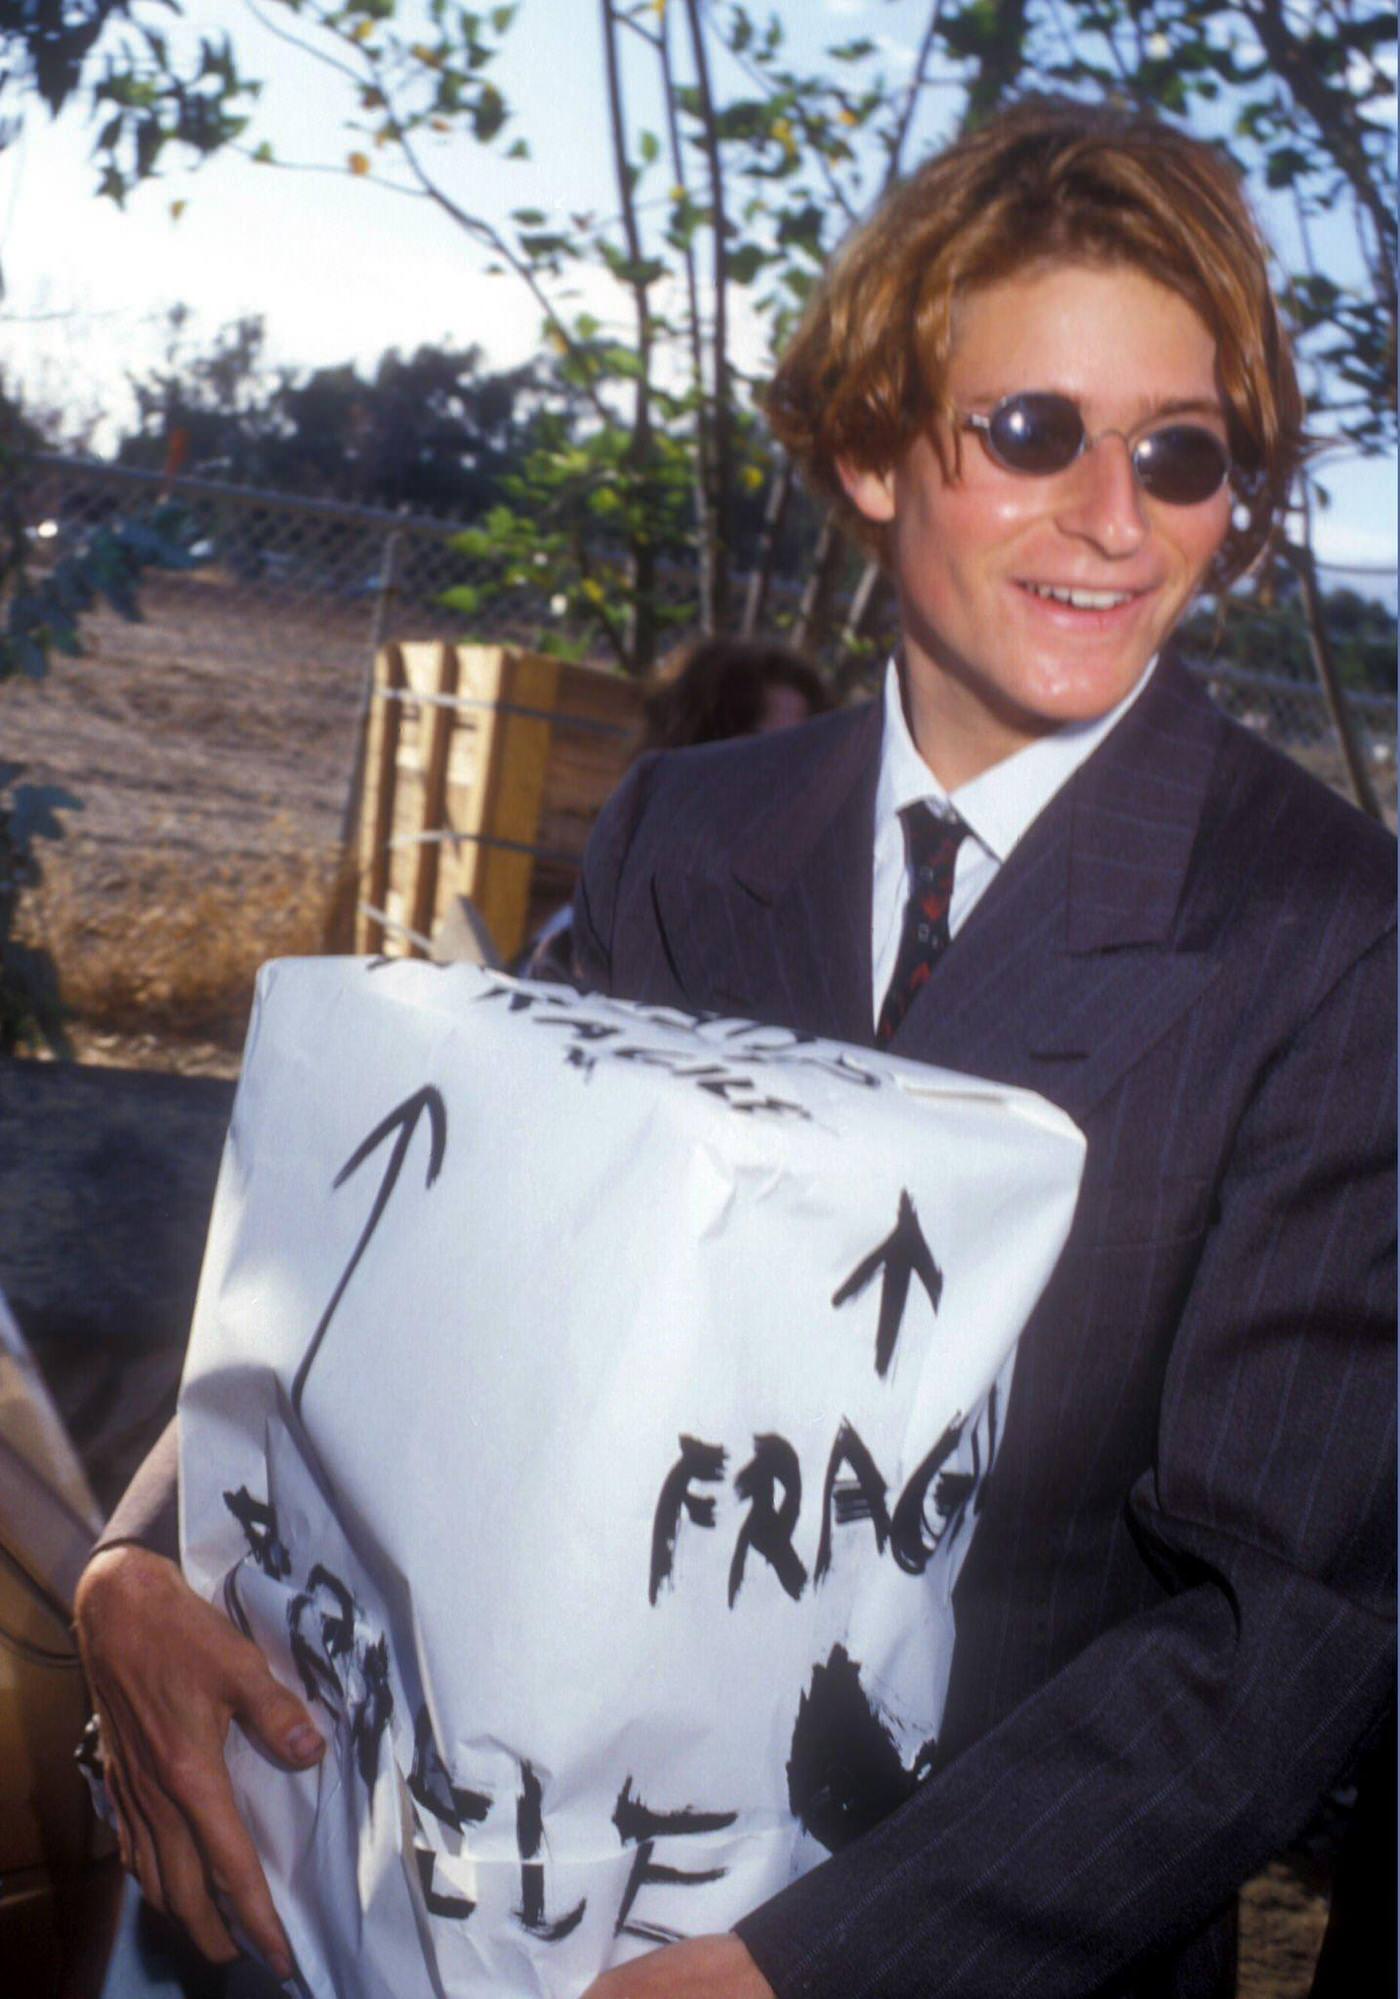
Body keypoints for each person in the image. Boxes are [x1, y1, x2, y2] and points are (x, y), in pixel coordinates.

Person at [75, 98, 1394, 1999]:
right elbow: (413, 1247)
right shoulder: (690, 833)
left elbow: (1281, 1627)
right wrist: (143, 1552)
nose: (1120, 519)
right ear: (870, 445)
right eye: (1034, 432)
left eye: (1182, 455)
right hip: (532, 1895)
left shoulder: (1331, 936)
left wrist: (805, 1968)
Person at [522, 636, 829, 979]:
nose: (779, 783)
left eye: (799, 758)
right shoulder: (599, 929)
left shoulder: (814, 933)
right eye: (755, 752)